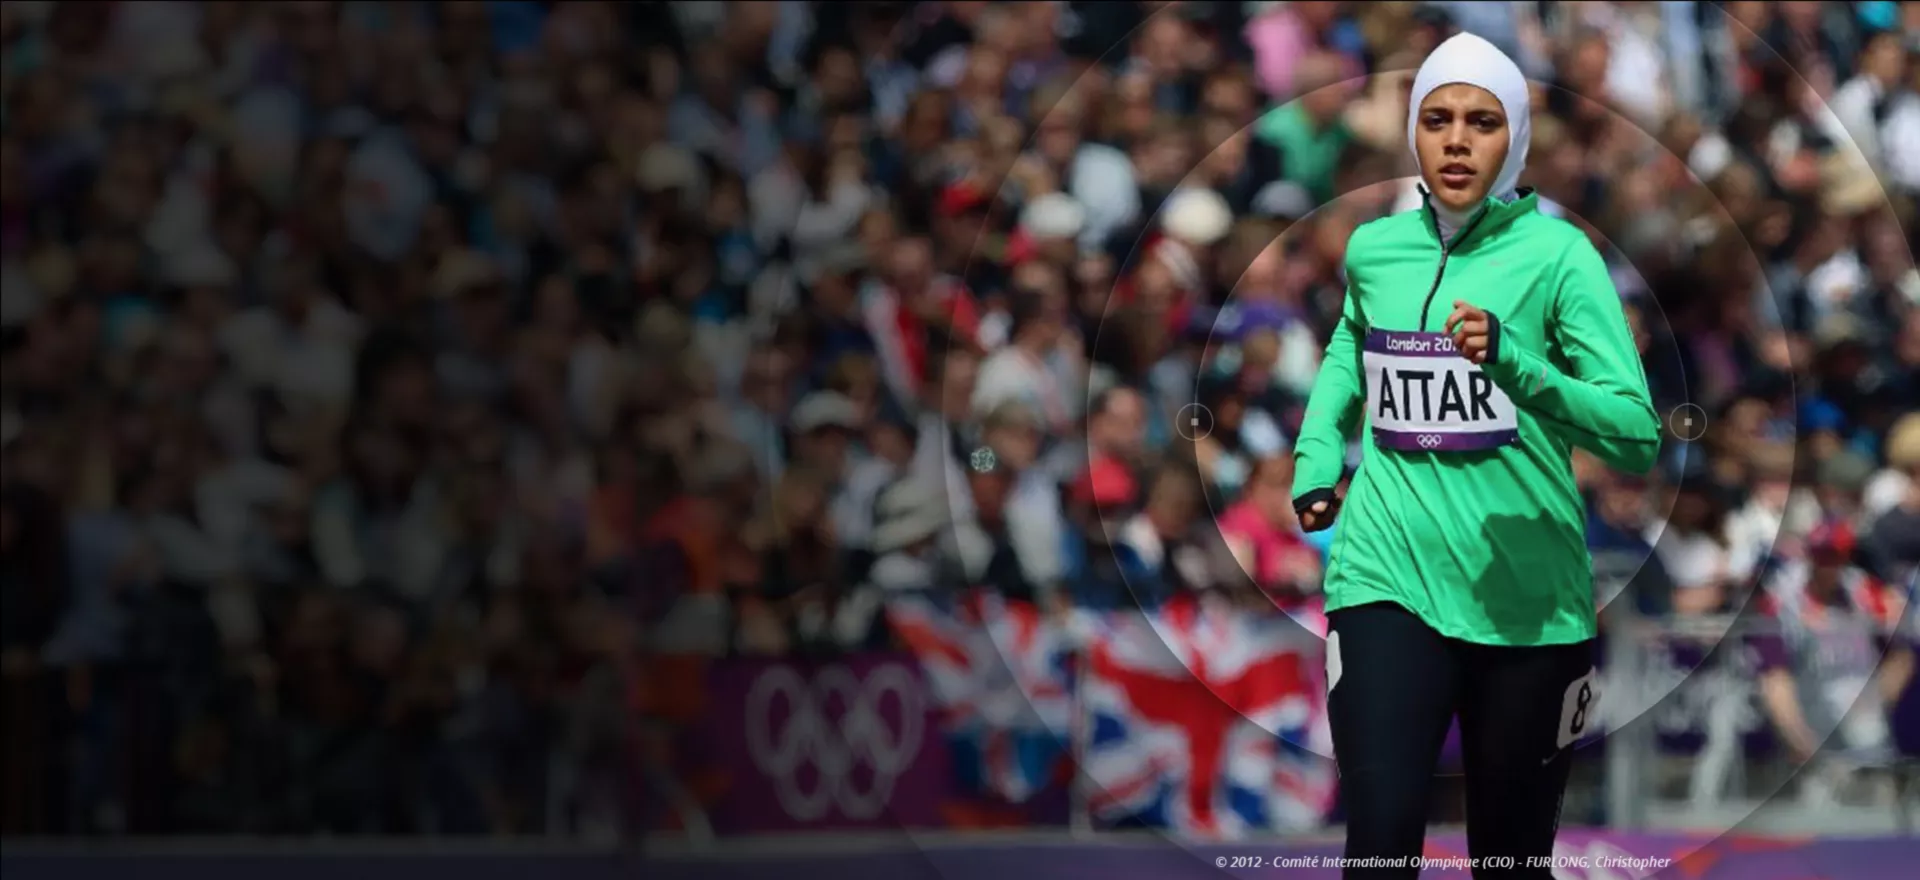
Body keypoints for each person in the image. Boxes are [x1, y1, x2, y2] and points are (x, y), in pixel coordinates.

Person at [1287, 33, 1661, 877]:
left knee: (1509, 860)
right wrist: (1316, 458)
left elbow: (1636, 434)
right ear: (1413, 133)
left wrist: (1516, 366)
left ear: (1515, 137)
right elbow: (1350, 346)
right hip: (1385, 574)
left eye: (1482, 122)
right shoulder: (1373, 249)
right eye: (1438, 119)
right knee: (1380, 841)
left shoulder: (1562, 257)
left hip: (1529, 604)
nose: (1457, 140)